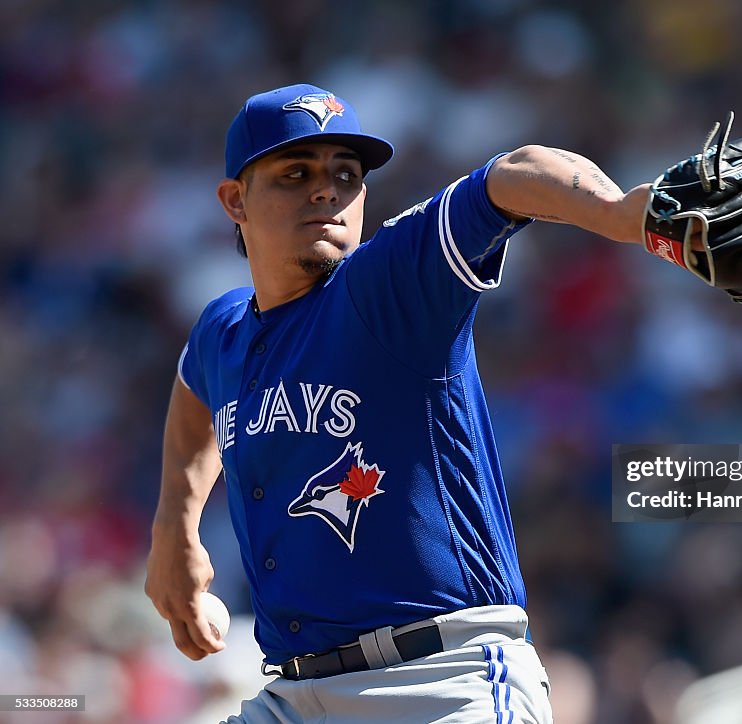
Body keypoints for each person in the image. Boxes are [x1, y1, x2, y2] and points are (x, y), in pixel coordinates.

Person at [144, 82, 649, 724]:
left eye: (345, 173)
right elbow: (194, 391)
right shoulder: (224, 332)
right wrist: (174, 531)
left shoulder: (387, 284)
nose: (326, 190)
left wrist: (620, 213)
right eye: (295, 172)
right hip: (294, 697)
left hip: (442, 680)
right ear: (235, 201)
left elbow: (512, 175)